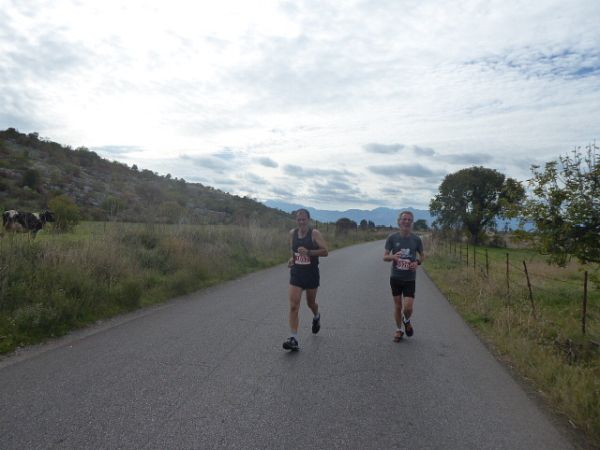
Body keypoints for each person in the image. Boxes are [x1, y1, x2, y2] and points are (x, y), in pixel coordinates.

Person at [283, 209, 329, 351]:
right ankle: (294, 339)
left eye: (304, 219)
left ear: (308, 219)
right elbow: (295, 251)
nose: (301, 222)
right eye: (299, 219)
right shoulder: (292, 233)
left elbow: (325, 251)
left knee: (310, 303)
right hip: (297, 272)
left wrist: (309, 252)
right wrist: (293, 259)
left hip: (311, 274)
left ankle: (316, 316)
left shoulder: (314, 234)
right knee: (294, 306)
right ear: (296, 220)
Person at [383, 210, 425, 342]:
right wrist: (393, 257)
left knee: (408, 307)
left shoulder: (416, 239)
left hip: (409, 279)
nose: (406, 222)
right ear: (399, 221)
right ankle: (399, 330)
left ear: (412, 223)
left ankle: (406, 320)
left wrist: (417, 262)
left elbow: (422, 255)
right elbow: (385, 257)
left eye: (409, 220)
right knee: (397, 306)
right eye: (404, 219)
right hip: (395, 277)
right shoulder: (392, 238)